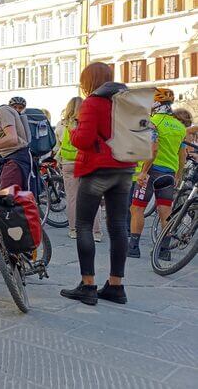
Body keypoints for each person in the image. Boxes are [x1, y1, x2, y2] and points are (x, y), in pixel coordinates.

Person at [60, 62, 136, 306]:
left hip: (98, 169)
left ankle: (88, 285)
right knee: (118, 226)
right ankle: (116, 286)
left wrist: (73, 131)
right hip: (125, 169)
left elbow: (83, 140)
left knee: (83, 225)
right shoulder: (129, 101)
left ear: (88, 81)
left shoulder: (93, 102)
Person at [128, 88, 186, 258]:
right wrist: (179, 175)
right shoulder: (180, 127)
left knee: (137, 208)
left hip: (151, 171)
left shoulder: (152, 123)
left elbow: (153, 150)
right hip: (169, 172)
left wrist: (143, 171)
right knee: (165, 210)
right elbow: (182, 155)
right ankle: (164, 250)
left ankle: (133, 247)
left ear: (155, 104)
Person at [56, 96, 103, 241]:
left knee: (72, 198)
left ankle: (73, 230)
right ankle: (96, 233)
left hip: (69, 163)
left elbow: (57, 145)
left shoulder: (61, 125)